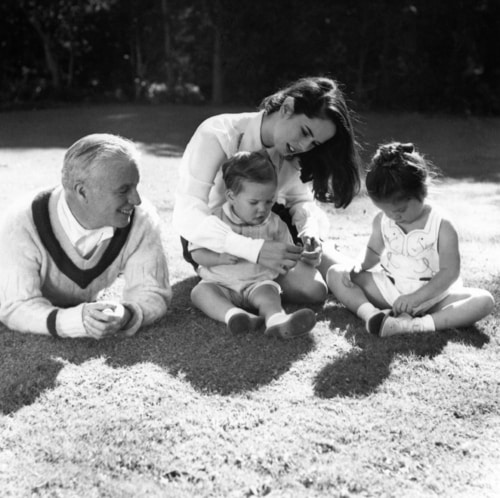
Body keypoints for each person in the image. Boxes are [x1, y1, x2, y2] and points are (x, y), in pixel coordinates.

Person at [173, 76, 361, 304]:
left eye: (314, 143)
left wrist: (309, 232)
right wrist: (254, 250)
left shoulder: (293, 153)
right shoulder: (217, 133)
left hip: (268, 225)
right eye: (304, 132)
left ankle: (398, 287)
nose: (304, 146)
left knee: (348, 274)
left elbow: (300, 200)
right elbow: (188, 214)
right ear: (287, 107)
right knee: (310, 290)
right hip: (212, 240)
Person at [0, 133, 172, 339]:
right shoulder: (21, 223)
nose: (136, 200)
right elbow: (14, 305)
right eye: (124, 190)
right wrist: (75, 321)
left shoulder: (142, 219)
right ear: (82, 191)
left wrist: (125, 314)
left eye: (136, 186)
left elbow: (153, 291)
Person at [327, 142, 495, 337]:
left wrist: (416, 298)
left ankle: (415, 325)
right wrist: (359, 264)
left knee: (484, 300)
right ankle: (372, 316)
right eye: (385, 210)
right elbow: (373, 252)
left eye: (400, 210)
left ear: (422, 191)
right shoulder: (383, 221)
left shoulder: (442, 225)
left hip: (434, 298)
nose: (393, 216)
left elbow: (450, 272)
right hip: (389, 290)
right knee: (336, 273)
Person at [190, 151, 317, 339]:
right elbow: (196, 252)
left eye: (269, 201)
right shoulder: (215, 220)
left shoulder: (275, 223)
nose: (262, 209)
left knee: (270, 294)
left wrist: (301, 255)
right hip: (219, 283)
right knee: (200, 292)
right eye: (254, 202)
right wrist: (218, 258)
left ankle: (276, 319)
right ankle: (234, 315)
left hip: (258, 283)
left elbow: (287, 256)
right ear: (231, 197)